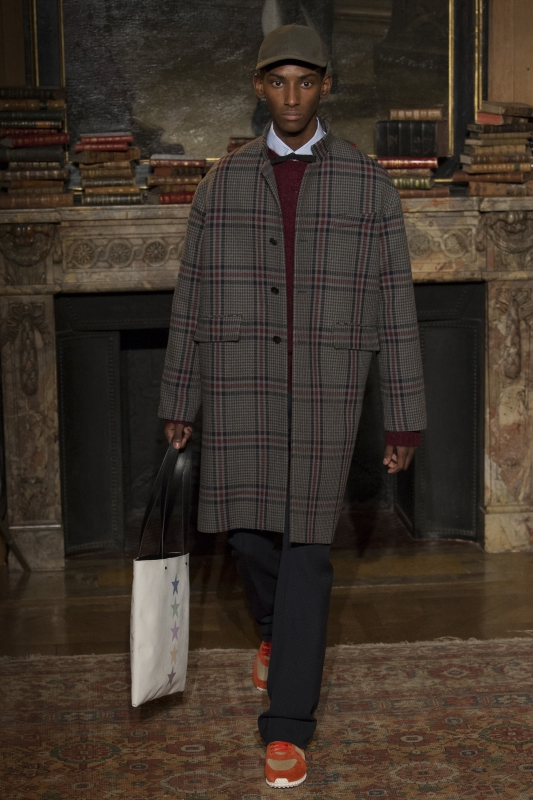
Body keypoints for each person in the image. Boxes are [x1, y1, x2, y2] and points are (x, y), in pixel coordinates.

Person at [159, 24, 426, 790]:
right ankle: (274, 630)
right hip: (238, 380)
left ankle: (286, 724)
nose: (290, 97)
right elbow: (190, 298)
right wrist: (180, 396)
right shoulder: (220, 185)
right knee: (247, 536)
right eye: (277, 82)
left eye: (304, 82)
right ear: (258, 87)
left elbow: (395, 307)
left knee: (308, 548)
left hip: (324, 388)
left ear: (325, 87)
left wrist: (403, 417)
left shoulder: (369, 186)